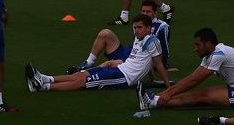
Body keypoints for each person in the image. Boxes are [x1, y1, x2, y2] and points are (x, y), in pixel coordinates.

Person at [25, 15, 170, 109]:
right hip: (120, 69)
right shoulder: (139, 39)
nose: (136, 30)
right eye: (135, 27)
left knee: (82, 82)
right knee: (81, 74)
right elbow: (141, 62)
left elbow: (158, 64)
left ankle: (42, 87)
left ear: (148, 28)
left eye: (139, 27)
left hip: (123, 78)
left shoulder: (152, 42)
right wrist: (116, 63)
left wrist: (167, 87)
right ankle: (43, 78)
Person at [143, 27, 234, 111]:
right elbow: (191, 77)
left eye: (197, 45)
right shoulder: (211, 55)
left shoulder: (218, 54)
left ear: (208, 44)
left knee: (203, 96)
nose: (195, 49)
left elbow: (194, 80)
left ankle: (154, 103)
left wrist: (167, 93)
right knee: (200, 94)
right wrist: (164, 93)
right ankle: (155, 99)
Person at [67, 0, 170, 75]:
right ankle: (88, 63)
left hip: (136, 59)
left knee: (109, 64)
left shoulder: (162, 26)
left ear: (155, 13)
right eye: (143, 11)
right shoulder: (139, 22)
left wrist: (160, 66)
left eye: (148, 12)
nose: (145, 14)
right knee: (105, 33)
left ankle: (81, 73)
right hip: (129, 52)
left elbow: (164, 49)